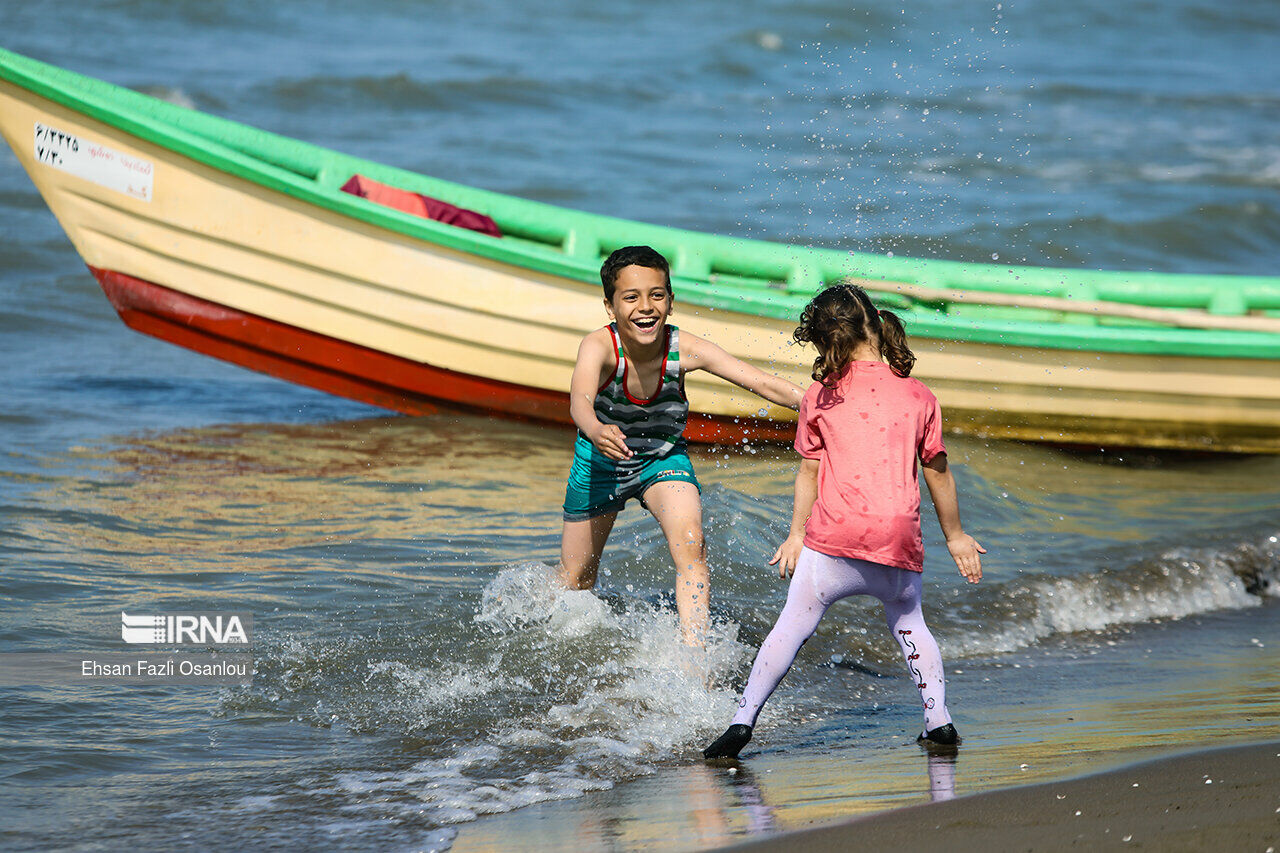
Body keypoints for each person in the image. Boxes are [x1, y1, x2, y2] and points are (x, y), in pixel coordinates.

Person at [703, 284, 985, 758]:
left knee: (792, 624)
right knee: (910, 623)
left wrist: (796, 535)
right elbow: (937, 470)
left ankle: (741, 721)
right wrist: (955, 536)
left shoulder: (820, 395)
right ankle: (938, 720)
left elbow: (808, 473)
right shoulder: (919, 396)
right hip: (896, 543)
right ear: (876, 321)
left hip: (833, 541)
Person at [560, 245, 805, 645]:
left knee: (693, 544)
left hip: (662, 459)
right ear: (610, 306)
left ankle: (694, 656)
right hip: (599, 461)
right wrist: (594, 428)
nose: (646, 307)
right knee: (577, 580)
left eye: (657, 295)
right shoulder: (599, 346)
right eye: (631, 297)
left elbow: (760, 382)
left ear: (671, 302)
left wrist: (822, 403)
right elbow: (579, 401)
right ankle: (573, 649)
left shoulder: (683, 347)